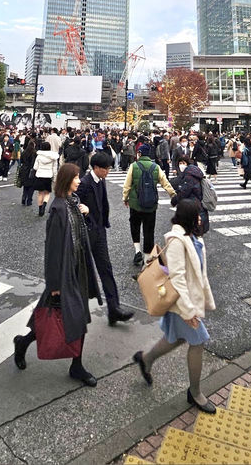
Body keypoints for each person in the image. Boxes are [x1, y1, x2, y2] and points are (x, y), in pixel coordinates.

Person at [13, 162, 102, 386]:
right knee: (63, 316)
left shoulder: (73, 203)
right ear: (66, 180)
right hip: (63, 273)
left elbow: (83, 233)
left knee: (73, 316)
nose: (79, 181)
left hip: (78, 268)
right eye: (76, 177)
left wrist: (87, 212)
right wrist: (54, 283)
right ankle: (25, 343)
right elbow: (51, 249)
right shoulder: (59, 208)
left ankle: (75, 364)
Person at [132, 199, 216, 412]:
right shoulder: (177, 241)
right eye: (197, 214)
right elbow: (177, 278)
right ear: (188, 217)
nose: (200, 218)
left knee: (176, 338)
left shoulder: (191, 235)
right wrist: (188, 311)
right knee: (198, 341)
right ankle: (195, 393)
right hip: (181, 303)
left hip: (184, 301)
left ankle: (146, 359)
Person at [77, 151, 134, 326]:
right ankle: (74, 312)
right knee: (81, 275)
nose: (108, 171)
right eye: (106, 169)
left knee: (106, 269)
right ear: (96, 168)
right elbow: (75, 204)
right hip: (86, 234)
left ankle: (114, 309)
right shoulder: (84, 183)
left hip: (99, 232)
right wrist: (88, 218)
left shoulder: (100, 180)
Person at [123, 143, 176, 266]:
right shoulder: (156, 167)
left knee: (135, 226)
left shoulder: (133, 166)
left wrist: (125, 198)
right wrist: (173, 195)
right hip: (151, 204)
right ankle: (147, 259)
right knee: (149, 230)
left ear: (140, 153)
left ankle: (137, 251)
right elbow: (165, 183)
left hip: (135, 204)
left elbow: (127, 185)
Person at [172, 156, 209, 234]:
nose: (181, 165)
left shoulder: (189, 176)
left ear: (187, 164)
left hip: (192, 205)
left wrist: (174, 200)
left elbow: (184, 192)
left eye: (183, 163)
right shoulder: (193, 172)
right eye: (180, 163)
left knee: (192, 232)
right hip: (197, 203)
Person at [33, 141, 59, 216]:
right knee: (47, 193)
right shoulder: (53, 157)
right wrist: (55, 178)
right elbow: (55, 168)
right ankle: (44, 205)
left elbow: (35, 167)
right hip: (48, 176)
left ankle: (40, 209)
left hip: (40, 175)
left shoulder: (39, 156)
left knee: (40, 193)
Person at [18, 138, 37, 206]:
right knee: (31, 186)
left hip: (24, 169)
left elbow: (21, 161)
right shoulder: (34, 153)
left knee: (25, 186)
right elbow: (34, 163)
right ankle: (29, 200)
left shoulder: (24, 152)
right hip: (31, 170)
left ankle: (24, 197)